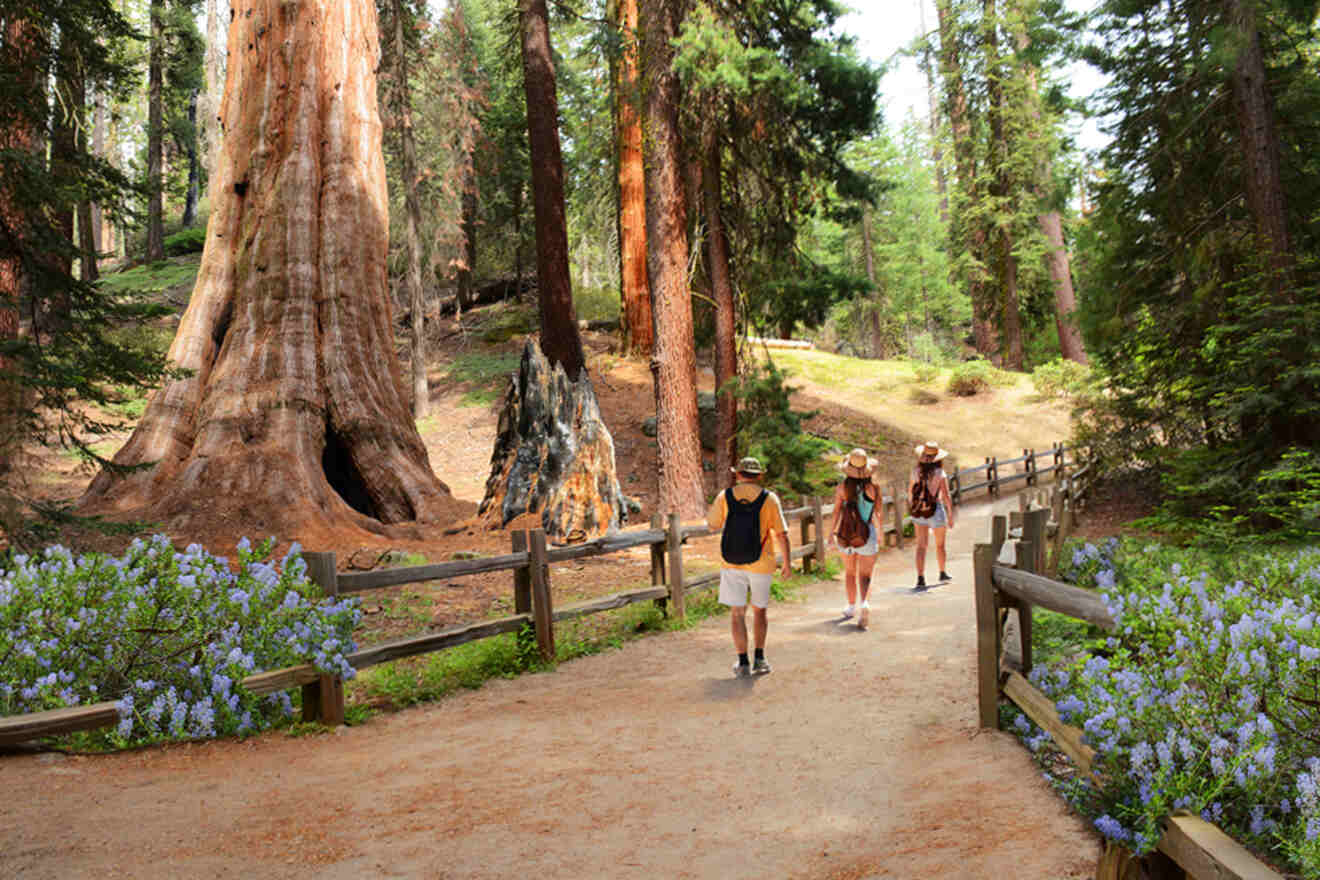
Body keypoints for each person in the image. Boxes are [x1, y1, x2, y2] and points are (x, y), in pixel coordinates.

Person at [706, 456, 792, 677]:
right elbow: (782, 534)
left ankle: (742, 662)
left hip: (732, 561)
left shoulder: (725, 496)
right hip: (762, 562)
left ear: (738, 474)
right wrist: (788, 563)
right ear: (759, 475)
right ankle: (760, 660)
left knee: (737, 613)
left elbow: (712, 525)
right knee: (759, 611)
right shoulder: (769, 498)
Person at [827, 448, 881, 628]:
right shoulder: (873, 489)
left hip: (846, 536)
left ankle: (850, 606)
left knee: (849, 572)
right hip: (866, 535)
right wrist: (879, 535)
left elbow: (836, 512)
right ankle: (864, 602)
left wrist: (830, 535)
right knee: (865, 574)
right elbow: (877, 514)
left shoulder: (842, 488)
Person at [909, 440, 955, 591]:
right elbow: (946, 496)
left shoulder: (915, 472)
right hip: (935, 509)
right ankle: (942, 572)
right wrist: (950, 515)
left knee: (921, 546)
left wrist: (914, 507)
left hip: (919, 511)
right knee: (940, 545)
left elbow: (910, 493)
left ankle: (920, 578)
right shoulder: (940, 473)